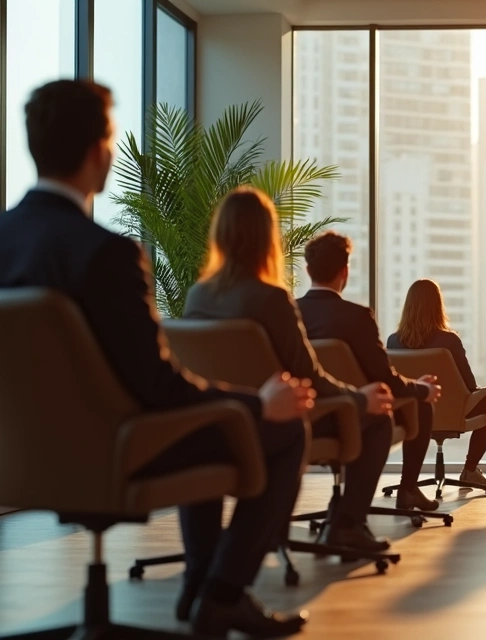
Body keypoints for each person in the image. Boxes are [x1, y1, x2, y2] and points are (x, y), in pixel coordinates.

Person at [0, 79, 313, 637]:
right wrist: (258, 403)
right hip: (114, 452)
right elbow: (158, 388)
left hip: (17, 459)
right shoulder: (107, 253)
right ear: (100, 150)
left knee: (221, 425)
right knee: (278, 428)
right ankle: (221, 591)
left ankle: (201, 581)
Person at [185, 187, 398, 553]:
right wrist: (359, 399)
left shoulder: (197, 296)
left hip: (216, 421)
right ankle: (347, 523)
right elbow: (310, 378)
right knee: (379, 418)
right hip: (274, 424)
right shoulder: (271, 299)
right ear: (267, 238)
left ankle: (202, 573)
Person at [295, 231, 444, 510]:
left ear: (307, 270)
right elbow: (385, 379)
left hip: (302, 416)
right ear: (345, 271)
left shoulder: (290, 313)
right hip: (356, 417)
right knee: (421, 404)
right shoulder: (356, 316)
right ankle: (407, 490)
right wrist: (421, 388)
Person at [386, 279, 486, 486]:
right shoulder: (449, 341)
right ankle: (470, 470)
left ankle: (408, 480)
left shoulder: (393, 341)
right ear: (437, 306)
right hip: (451, 413)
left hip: (411, 413)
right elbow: (468, 386)